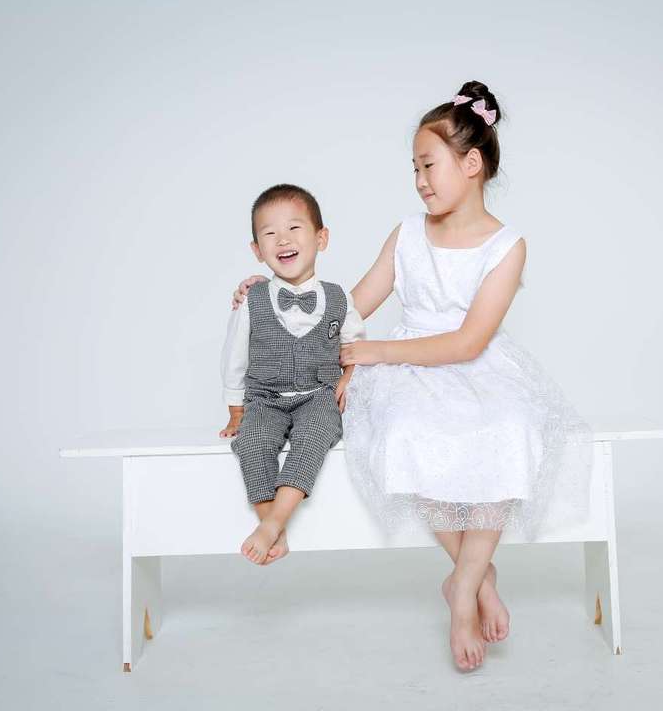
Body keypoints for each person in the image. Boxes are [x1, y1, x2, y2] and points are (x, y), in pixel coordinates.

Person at [230, 82, 592, 671]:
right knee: (404, 434)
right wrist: (274, 292)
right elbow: (350, 306)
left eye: (429, 165)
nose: (420, 180)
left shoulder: (507, 246)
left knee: (512, 428)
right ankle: (477, 575)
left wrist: (374, 354)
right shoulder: (407, 234)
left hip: (474, 364)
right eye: (414, 169)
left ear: (471, 164)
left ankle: (462, 589)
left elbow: (469, 341)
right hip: (406, 370)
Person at [220, 183, 365, 566]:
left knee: (314, 435)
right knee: (252, 441)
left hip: (318, 395)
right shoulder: (252, 300)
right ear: (257, 250)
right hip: (264, 398)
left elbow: (356, 346)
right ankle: (272, 526)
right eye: (270, 233)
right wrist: (236, 412)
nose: (283, 239)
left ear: (321, 238)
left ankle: (273, 523)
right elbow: (234, 357)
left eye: (294, 228)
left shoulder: (339, 297)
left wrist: (348, 377)